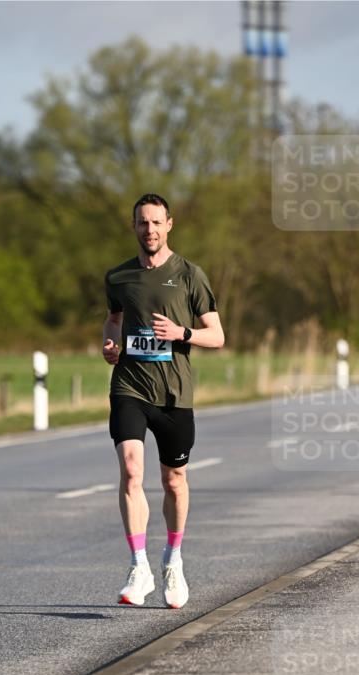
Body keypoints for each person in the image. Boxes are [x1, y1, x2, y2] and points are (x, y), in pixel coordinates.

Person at [103, 193, 225, 607]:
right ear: (133, 226)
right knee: (131, 470)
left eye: (156, 223)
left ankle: (173, 559)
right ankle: (139, 566)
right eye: (142, 223)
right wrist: (109, 343)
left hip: (174, 393)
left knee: (174, 480)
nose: (149, 230)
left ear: (169, 224)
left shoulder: (190, 275)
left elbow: (218, 335)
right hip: (129, 387)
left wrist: (182, 334)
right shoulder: (118, 278)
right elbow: (114, 319)